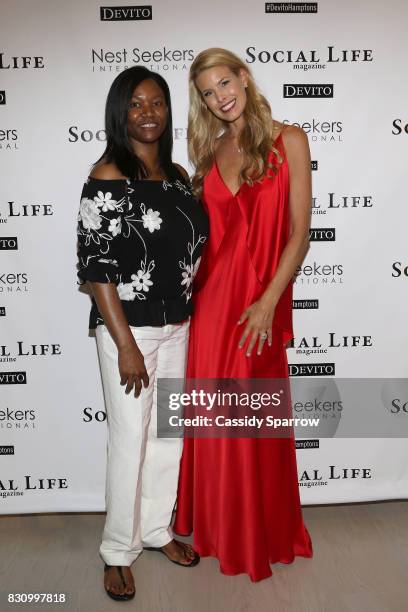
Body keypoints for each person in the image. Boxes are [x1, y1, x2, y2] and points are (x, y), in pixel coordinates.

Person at [173, 48, 313, 581]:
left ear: (245, 78)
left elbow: (298, 234)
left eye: (225, 82)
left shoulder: (290, 140)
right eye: (208, 92)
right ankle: (217, 528)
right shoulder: (208, 150)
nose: (219, 97)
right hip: (210, 308)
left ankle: (258, 533)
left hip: (260, 304)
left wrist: (268, 302)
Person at [76, 66, 208, 601]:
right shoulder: (107, 175)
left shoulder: (178, 175)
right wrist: (127, 344)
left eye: (156, 103)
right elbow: (96, 269)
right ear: (120, 113)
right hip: (127, 331)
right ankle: (116, 551)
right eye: (136, 104)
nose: (148, 112)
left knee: (167, 436)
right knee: (130, 439)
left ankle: (155, 530)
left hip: (179, 326)